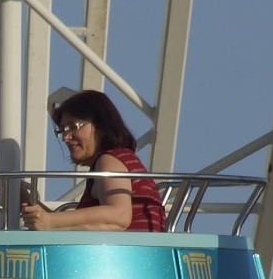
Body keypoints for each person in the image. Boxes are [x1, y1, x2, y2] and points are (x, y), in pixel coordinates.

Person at [21, 90, 167, 232]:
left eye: (73, 127)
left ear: (102, 126)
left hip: (126, 255)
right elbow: (81, 226)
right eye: (62, 130)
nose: (66, 137)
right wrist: (36, 209)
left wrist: (50, 221)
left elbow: (119, 217)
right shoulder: (123, 159)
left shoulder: (109, 161)